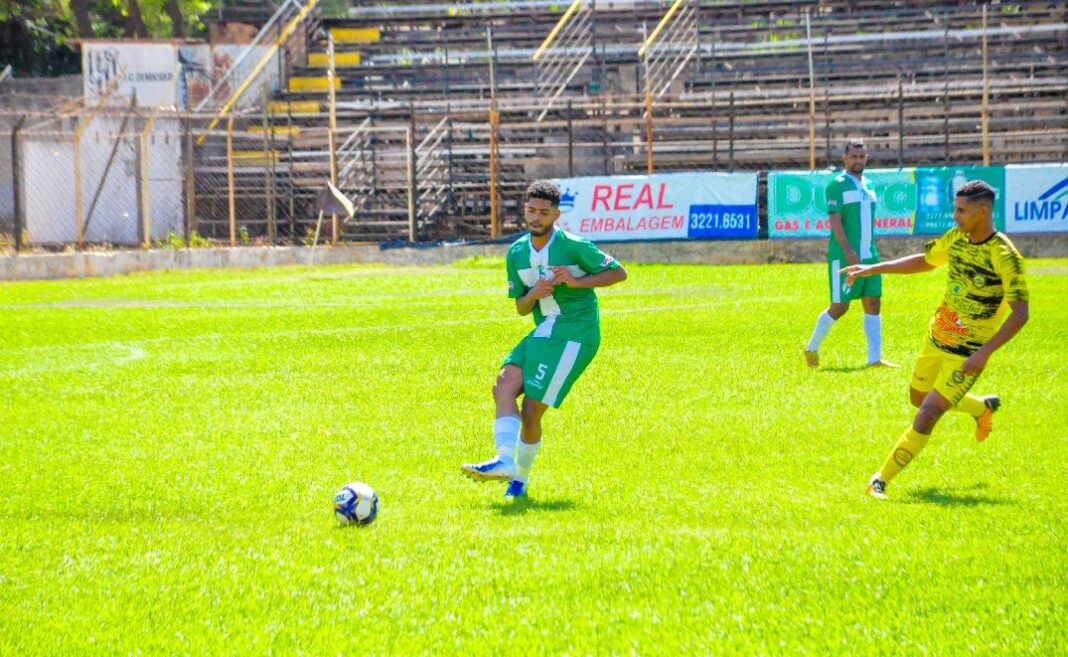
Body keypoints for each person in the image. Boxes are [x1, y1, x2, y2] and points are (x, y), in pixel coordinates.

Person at [841, 180, 1029, 499]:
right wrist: (874, 268)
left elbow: (1020, 313)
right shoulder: (956, 238)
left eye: (961, 210)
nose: (954, 216)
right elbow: (925, 261)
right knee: (918, 398)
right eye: (955, 209)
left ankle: (880, 480)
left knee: (927, 412)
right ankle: (981, 407)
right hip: (937, 337)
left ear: (982, 211)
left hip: (967, 353)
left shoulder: (1004, 256)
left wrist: (983, 354)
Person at [461, 181, 627, 500]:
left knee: (532, 412)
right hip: (543, 330)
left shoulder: (574, 246)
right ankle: (504, 461)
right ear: (525, 210)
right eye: (532, 210)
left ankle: (518, 482)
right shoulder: (517, 252)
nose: (537, 217)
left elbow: (619, 273)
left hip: (574, 333)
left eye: (544, 212)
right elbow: (521, 308)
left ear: (556, 214)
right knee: (503, 385)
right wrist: (533, 294)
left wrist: (577, 282)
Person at [804, 138, 897, 368]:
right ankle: (811, 348)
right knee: (840, 306)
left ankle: (874, 359)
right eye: (854, 156)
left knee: (873, 303)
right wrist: (848, 251)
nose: (858, 160)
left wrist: (868, 252)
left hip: (870, 256)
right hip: (845, 256)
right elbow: (835, 220)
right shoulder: (837, 184)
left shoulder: (869, 185)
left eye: (862, 156)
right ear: (844, 158)